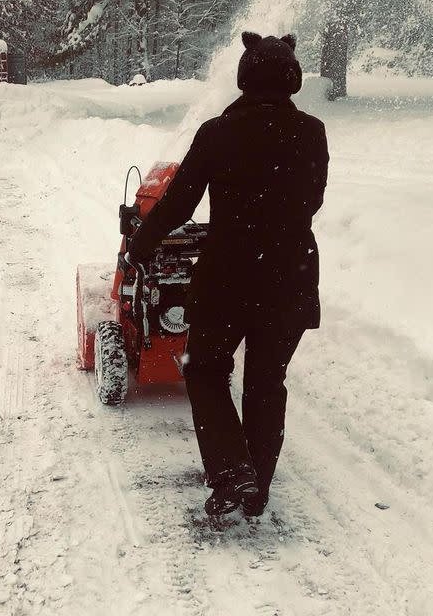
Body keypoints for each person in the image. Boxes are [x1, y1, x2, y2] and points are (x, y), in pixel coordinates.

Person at [127, 32, 329, 517]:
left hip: (228, 280)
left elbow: (179, 202)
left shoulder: (217, 133)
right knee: (266, 381)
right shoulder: (313, 132)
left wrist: (141, 244)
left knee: (207, 371)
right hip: (291, 276)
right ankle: (256, 483)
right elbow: (313, 200)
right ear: (291, 78)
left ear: (244, 76)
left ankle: (231, 469)